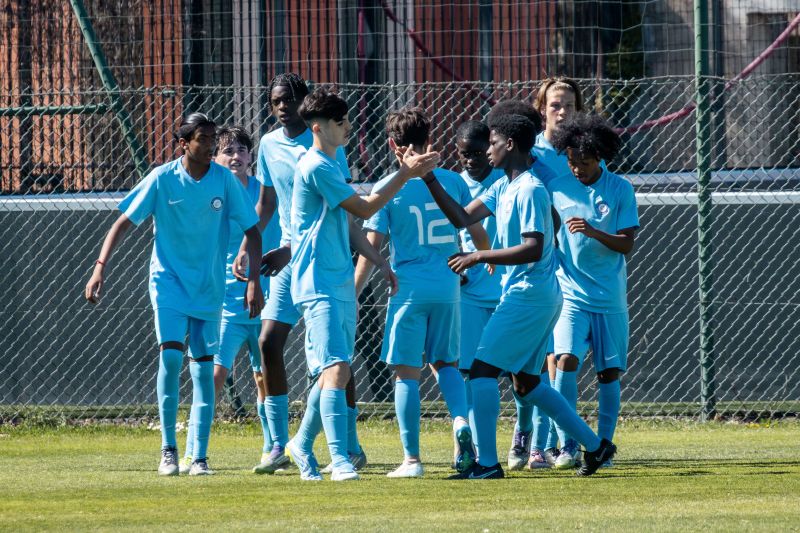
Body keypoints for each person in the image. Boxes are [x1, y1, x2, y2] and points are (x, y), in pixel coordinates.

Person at [422, 113, 616, 479]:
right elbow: (461, 218)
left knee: (481, 371)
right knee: (527, 384)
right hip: (532, 295)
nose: (488, 150)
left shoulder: (529, 188)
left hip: (531, 295)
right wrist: (428, 177)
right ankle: (596, 446)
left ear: (509, 145)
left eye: (493, 143)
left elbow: (532, 247)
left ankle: (487, 464)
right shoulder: (503, 186)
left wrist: (479, 256)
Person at [84, 113, 264, 476]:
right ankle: (168, 449)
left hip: (208, 288)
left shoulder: (224, 182)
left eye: (213, 139)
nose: (211, 146)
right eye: (203, 139)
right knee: (169, 358)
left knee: (203, 371)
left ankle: (199, 457)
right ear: (184, 144)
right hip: (168, 284)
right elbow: (122, 222)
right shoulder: (162, 178)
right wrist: (99, 266)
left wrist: (254, 282)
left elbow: (253, 231)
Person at [285, 89, 440, 481]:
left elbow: (348, 221)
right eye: (340, 123)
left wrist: (378, 260)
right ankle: (340, 460)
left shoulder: (334, 161)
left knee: (333, 370)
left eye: (347, 120)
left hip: (338, 279)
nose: (348, 127)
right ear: (318, 128)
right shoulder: (315, 165)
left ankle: (301, 443)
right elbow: (367, 207)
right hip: (316, 281)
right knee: (336, 367)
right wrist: (405, 173)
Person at [239, 73, 365, 473]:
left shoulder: (326, 145)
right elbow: (266, 204)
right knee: (268, 341)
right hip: (287, 259)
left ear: (305, 103)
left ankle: (349, 445)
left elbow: (342, 207)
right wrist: (248, 244)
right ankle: (278, 444)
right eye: (274, 100)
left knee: (335, 357)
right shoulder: (268, 145)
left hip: (318, 260)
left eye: (288, 99)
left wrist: (367, 255)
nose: (281, 106)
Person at [353, 109, 489, 478]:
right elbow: (473, 228)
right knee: (447, 364)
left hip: (408, 289)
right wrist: (485, 257)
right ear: (429, 140)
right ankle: (461, 423)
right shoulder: (453, 181)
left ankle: (411, 460)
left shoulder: (388, 186)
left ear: (392, 144)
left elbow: (372, 247)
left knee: (406, 374)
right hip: (448, 288)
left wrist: (354, 293)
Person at [179, 126, 281, 474]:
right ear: (215, 157)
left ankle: (272, 450)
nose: (235, 156)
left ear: (251, 156)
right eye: (227, 151)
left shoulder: (265, 194)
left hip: (264, 301)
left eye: (241, 150)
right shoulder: (211, 193)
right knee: (214, 375)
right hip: (224, 305)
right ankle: (193, 452)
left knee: (265, 379)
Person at [548, 113, 638, 469]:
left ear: (599, 157)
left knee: (608, 373)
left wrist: (593, 231)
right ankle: (569, 443)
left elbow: (626, 244)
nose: (577, 169)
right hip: (570, 294)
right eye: (571, 162)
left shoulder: (620, 189)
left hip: (609, 298)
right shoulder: (556, 188)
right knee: (565, 360)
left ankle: (604, 446)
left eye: (584, 162)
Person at [452, 120, 505, 465]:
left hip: (506, 291)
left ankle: (528, 441)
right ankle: (466, 447)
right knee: (469, 373)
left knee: (523, 375)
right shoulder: (455, 184)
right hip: (470, 292)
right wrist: (454, 266)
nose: (471, 160)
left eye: (477, 152)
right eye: (464, 154)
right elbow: (447, 230)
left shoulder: (505, 182)